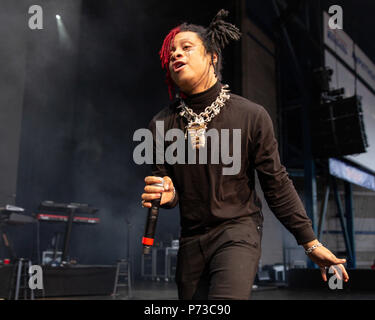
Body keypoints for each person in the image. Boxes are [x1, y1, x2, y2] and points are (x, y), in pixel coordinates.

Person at [141, 9, 349, 299]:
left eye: (187, 47)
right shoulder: (161, 125)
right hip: (191, 239)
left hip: (238, 231)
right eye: (172, 51)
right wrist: (167, 195)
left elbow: (276, 184)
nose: (176, 54)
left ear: (212, 56)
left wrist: (310, 242)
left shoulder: (251, 116)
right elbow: (171, 192)